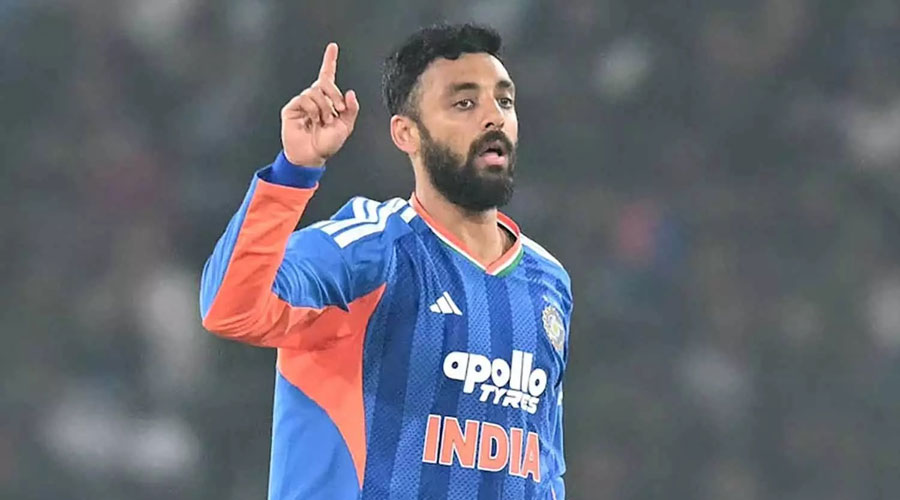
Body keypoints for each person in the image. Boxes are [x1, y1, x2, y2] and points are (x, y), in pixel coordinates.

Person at [200, 23, 572, 500]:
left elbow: (542, 465)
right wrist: (293, 172)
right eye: (464, 103)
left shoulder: (547, 281)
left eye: (504, 101)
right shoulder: (371, 250)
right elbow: (229, 309)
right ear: (406, 133)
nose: (493, 118)